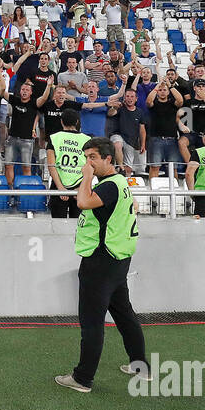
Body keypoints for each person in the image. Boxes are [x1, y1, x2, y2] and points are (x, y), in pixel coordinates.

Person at [55, 137, 148, 392]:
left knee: (92, 322)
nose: (88, 163)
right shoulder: (118, 183)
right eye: (86, 158)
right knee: (124, 315)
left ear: (108, 159)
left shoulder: (108, 185)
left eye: (93, 157)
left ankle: (82, 378)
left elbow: (83, 202)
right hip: (118, 260)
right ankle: (140, 366)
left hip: (101, 261)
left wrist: (86, 177)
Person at [46, 109, 88, 219]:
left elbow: (51, 166)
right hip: (79, 186)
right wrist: (80, 187)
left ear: (61, 122)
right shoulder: (87, 140)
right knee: (78, 227)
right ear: (77, 122)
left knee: (58, 226)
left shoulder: (54, 138)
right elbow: (91, 167)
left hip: (58, 185)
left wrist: (60, 188)